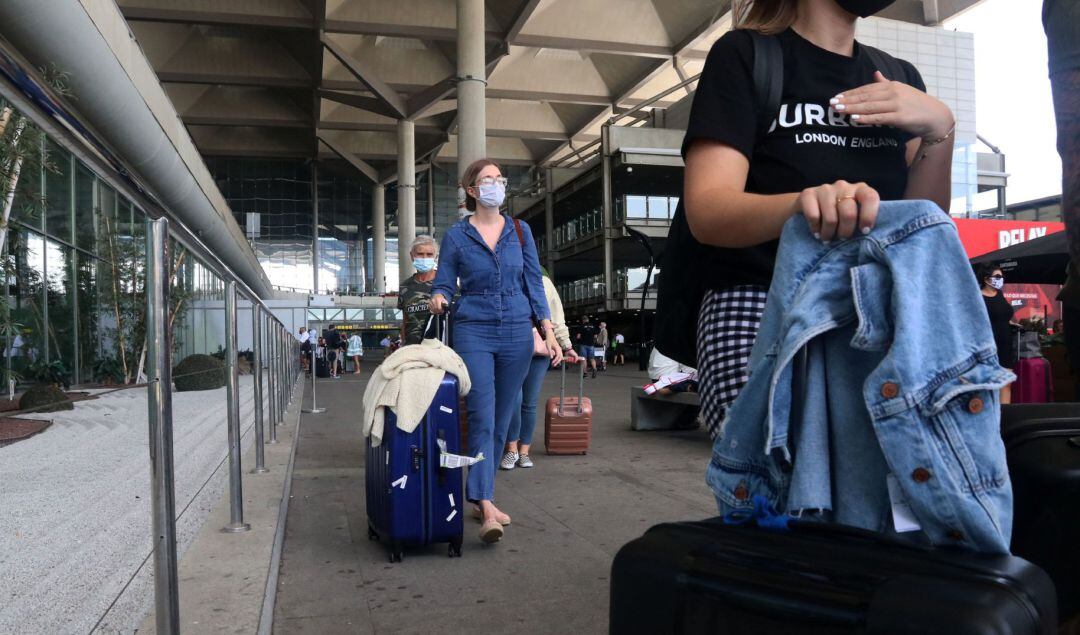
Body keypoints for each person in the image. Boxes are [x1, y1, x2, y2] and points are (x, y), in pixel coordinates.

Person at [683, 0, 954, 445]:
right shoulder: (747, 55)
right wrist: (804, 204)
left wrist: (940, 129)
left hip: (875, 314)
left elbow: (920, 226)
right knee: (777, 494)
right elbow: (709, 211)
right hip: (762, 305)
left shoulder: (897, 76)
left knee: (873, 502)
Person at [429, 158, 563, 544]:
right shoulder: (456, 236)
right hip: (473, 327)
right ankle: (486, 502)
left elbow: (534, 283)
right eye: (487, 180)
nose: (495, 185)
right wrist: (439, 296)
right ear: (471, 191)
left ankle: (477, 494)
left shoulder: (520, 232)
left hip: (517, 329)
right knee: (483, 413)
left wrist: (548, 332)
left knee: (503, 418)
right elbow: (443, 283)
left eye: (499, 179)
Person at [502, 268, 580, 470]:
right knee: (514, 399)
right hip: (512, 346)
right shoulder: (502, 275)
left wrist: (567, 346)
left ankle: (524, 451)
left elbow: (556, 317)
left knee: (529, 402)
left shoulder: (543, 281)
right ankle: (511, 449)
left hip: (541, 348)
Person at [977, 263, 1017, 404]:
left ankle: (1005, 419)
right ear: (986, 279)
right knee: (987, 384)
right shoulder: (977, 297)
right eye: (997, 276)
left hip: (1005, 343)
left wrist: (1011, 323)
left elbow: (1001, 315)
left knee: (1006, 383)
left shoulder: (1000, 294)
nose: (1001, 279)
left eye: (1002, 276)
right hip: (987, 345)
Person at [399, 235, 438, 345]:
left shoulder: (445, 284)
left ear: (435, 256)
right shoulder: (404, 287)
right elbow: (405, 321)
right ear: (412, 256)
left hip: (438, 348)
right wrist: (403, 345)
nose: (425, 258)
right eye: (420, 254)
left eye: (429, 254)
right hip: (412, 348)